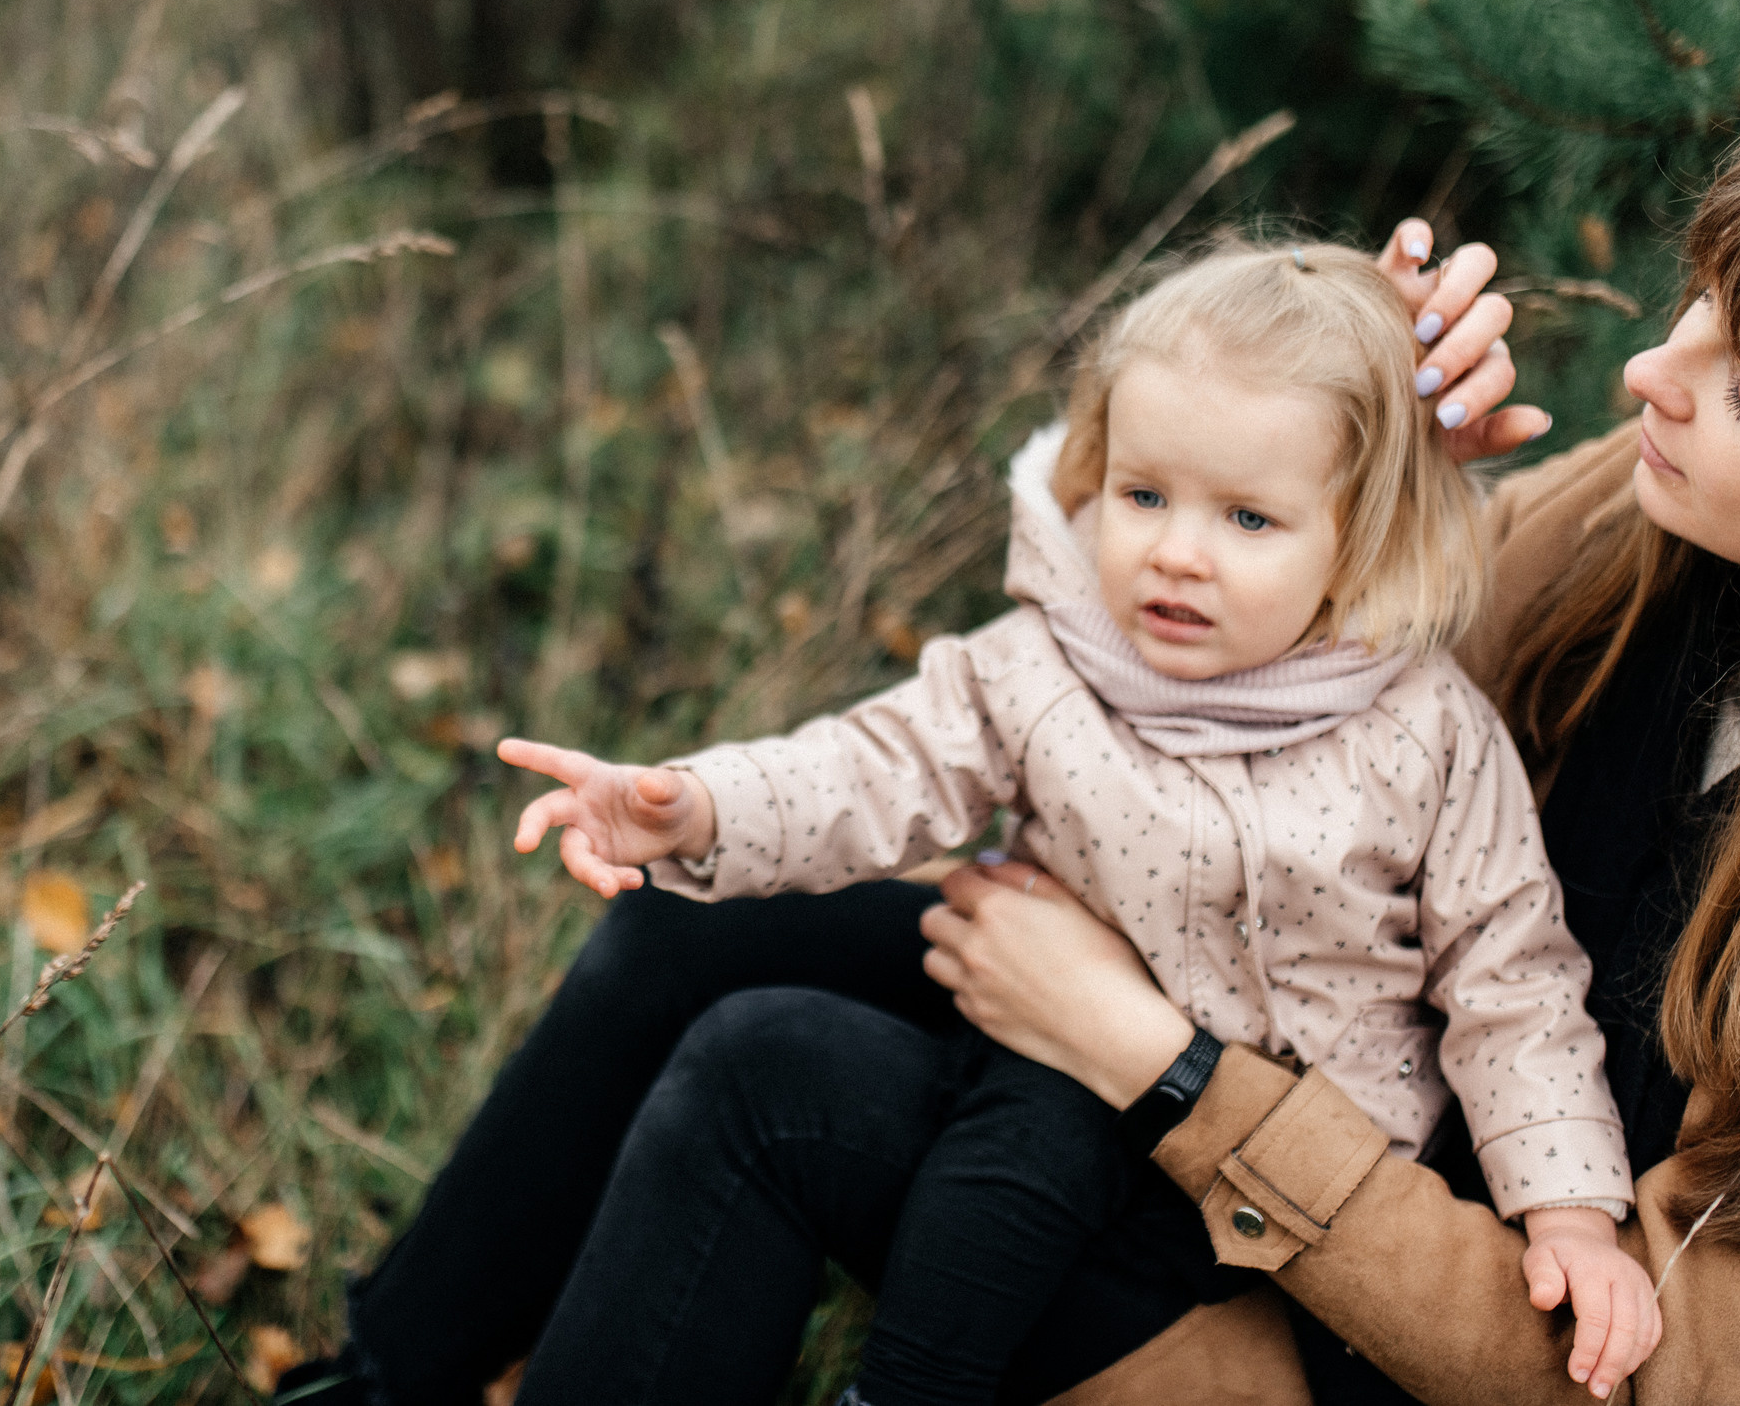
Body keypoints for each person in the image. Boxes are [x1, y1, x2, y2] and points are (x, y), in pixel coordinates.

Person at [274, 89, 1740, 1406]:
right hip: (1305, 1033)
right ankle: (390, 1372)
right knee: (694, 920)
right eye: (1692, 309)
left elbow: (1646, 1372)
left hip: (1386, 1304)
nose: (1652, 376)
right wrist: (1351, 448)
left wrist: (1156, 1058)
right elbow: (1351, 701)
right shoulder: (1660, 518)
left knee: (773, 1073)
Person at [492, 239, 1657, 1406]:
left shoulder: (1426, 731)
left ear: (1356, 537)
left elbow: (1510, 982)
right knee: (1025, 1129)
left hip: (1274, 1169)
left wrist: (1570, 1212)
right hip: (1062, 1065)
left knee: (1017, 1113)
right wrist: (694, 803)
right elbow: (875, 765)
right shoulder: (1054, 661)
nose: (1176, 553)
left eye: (1249, 518)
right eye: (1144, 494)